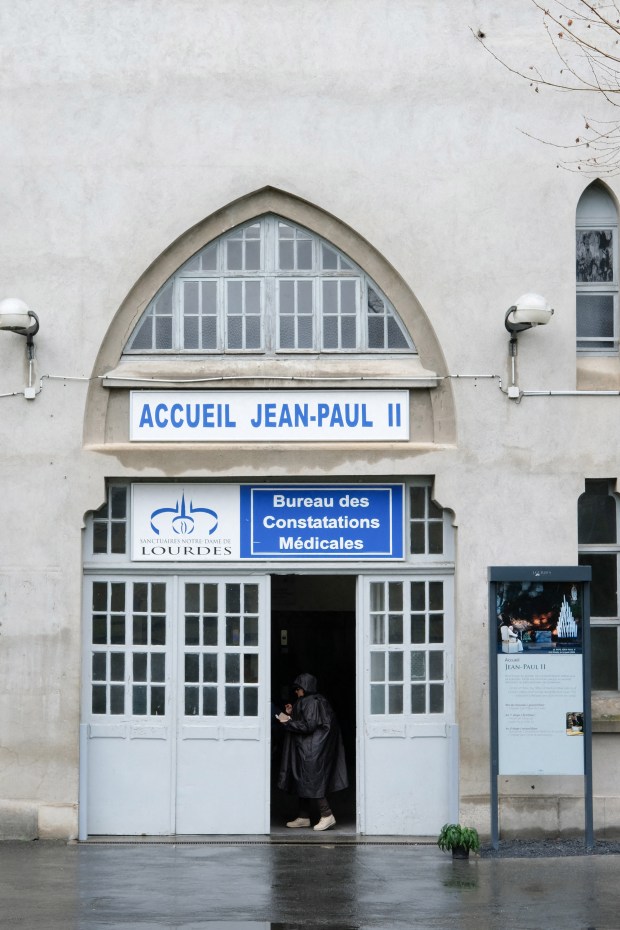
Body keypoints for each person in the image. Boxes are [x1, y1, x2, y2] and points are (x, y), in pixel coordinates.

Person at [276, 672, 348, 832]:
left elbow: (308, 726)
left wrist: (285, 720)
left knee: (312, 780)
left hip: (311, 749)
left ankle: (327, 815)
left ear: (304, 688)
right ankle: (303, 817)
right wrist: (291, 714)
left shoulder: (311, 702)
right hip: (312, 748)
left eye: (298, 689)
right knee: (304, 780)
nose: (296, 692)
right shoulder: (316, 700)